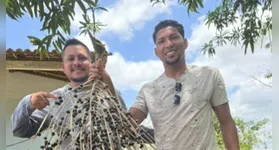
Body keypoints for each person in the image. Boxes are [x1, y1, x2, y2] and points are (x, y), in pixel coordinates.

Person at [129, 20, 240, 150]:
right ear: (156, 51)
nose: (169, 44)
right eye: (161, 41)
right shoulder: (148, 91)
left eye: (174, 37)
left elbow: (226, 121)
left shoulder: (209, 75)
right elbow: (125, 126)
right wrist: (105, 81)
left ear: (185, 43)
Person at [10, 38, 126, 149]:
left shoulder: (111, 93)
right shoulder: (56, 99)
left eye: (82, 58)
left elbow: (126, 130)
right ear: (63, 68)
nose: (76, 63)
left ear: (91, 63)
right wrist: (28, 102)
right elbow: (19, 130)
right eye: (70, 59)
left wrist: (108, 86)